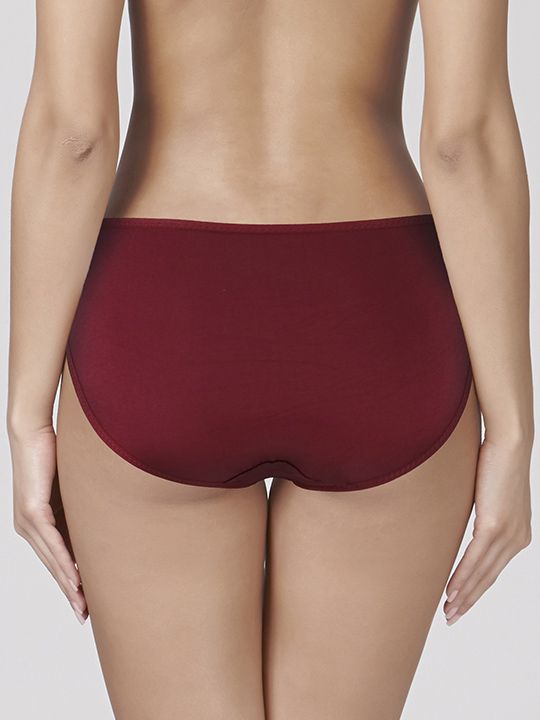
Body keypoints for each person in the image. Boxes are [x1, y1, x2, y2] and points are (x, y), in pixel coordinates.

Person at [7, 1, 534, 718]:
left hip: (164, 322)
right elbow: (463, 140)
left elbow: (73, 132)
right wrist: (512, 429)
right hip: (376, 318)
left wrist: (27, 412)